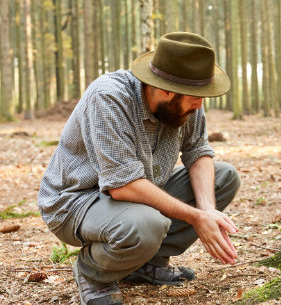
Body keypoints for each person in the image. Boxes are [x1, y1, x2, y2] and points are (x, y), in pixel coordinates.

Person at [38, 33, 241, 305]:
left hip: (136, 194)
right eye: (196, 97)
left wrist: (207, 210)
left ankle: (146, 264)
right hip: (76, 201)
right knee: (145, 225)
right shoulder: (109, 97)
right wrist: (195, 218)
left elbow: (198, 151)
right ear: (166, 90)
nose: (200, 105)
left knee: (224, 177)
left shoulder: (188, 98)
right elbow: (123, 186)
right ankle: (92, 272)